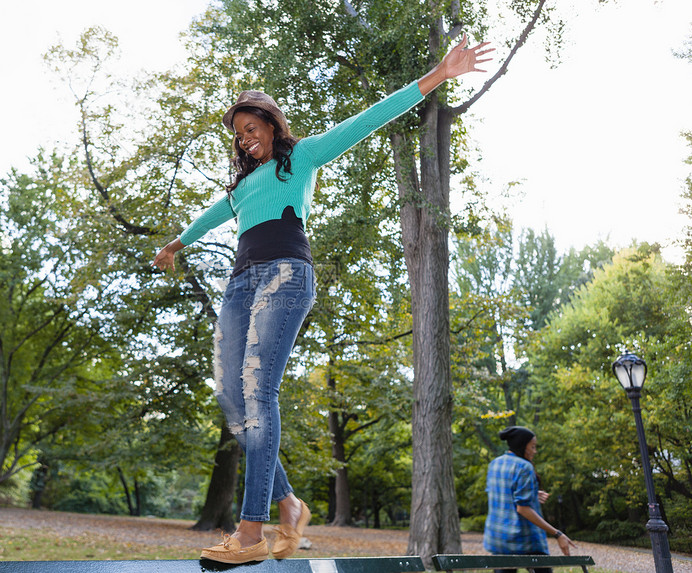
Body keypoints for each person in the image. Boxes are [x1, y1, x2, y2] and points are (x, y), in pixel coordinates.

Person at [153, 35, 494, 564]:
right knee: (233, 395)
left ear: (271, 125)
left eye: (251, 128)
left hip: (285, 275)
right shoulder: (242, 187)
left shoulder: (301, 158)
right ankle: (289, 504)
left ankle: (250, 533)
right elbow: (215, 215)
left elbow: (366, 121)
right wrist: (179, 243)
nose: (245, 139)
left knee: (258, 390)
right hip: (241, 281)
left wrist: (438, 76)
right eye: (238, 135)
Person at [483, 426, 576, 573]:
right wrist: (557, 533)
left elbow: (501, 494)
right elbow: (522, 509)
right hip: (523, 540)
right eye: (532, 447)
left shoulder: (495, 464)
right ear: (522, 446)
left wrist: (532, 494)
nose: (535, 451)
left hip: (499, 539)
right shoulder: (524, 467)